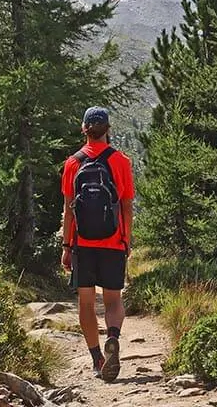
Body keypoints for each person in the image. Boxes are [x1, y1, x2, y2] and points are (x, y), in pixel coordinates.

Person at [61, 106, 134, 383]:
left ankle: (97, 359)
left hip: (83, 244)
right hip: (113, 242)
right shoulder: (121, 162)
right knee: (113, 299)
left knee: (86, 303)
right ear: (108, 130)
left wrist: (66, 247)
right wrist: (127, 239)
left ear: (84, 130)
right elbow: (126, 206)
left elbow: (69, 210)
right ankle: (112, 337)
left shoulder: (72, 163)